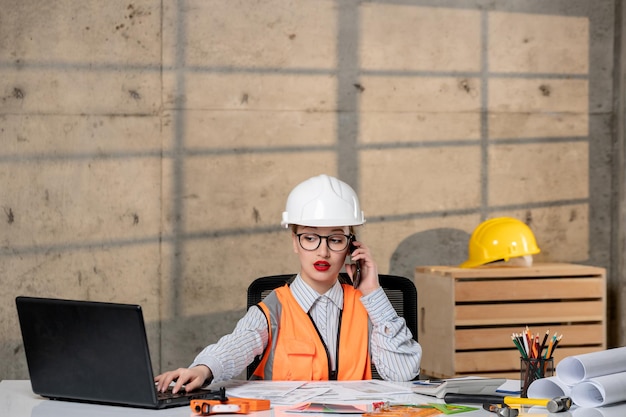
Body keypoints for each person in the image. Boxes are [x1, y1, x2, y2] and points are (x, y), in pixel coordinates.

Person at [155, 174, 422, 393]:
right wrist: (203, 369)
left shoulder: (368, 306)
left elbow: (402, 374)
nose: (323, 252)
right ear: (295, 242)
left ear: (351, 246)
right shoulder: (272, 310)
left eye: (336, 239)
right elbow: (235, 345)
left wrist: (373, 292)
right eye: (310, 238)